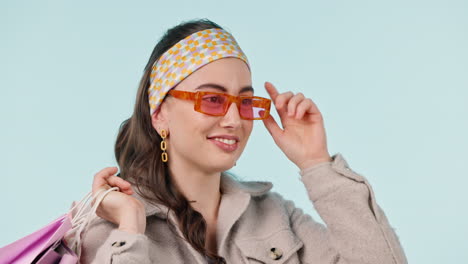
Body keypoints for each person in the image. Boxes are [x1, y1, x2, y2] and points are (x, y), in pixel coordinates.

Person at [76, 19, 408, 263]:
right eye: (212, 99)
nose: (234, 120)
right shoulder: (109, 223)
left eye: (246, 102)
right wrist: (131, 225)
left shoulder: (274, 214)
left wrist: (316, 164)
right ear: (160, 114)